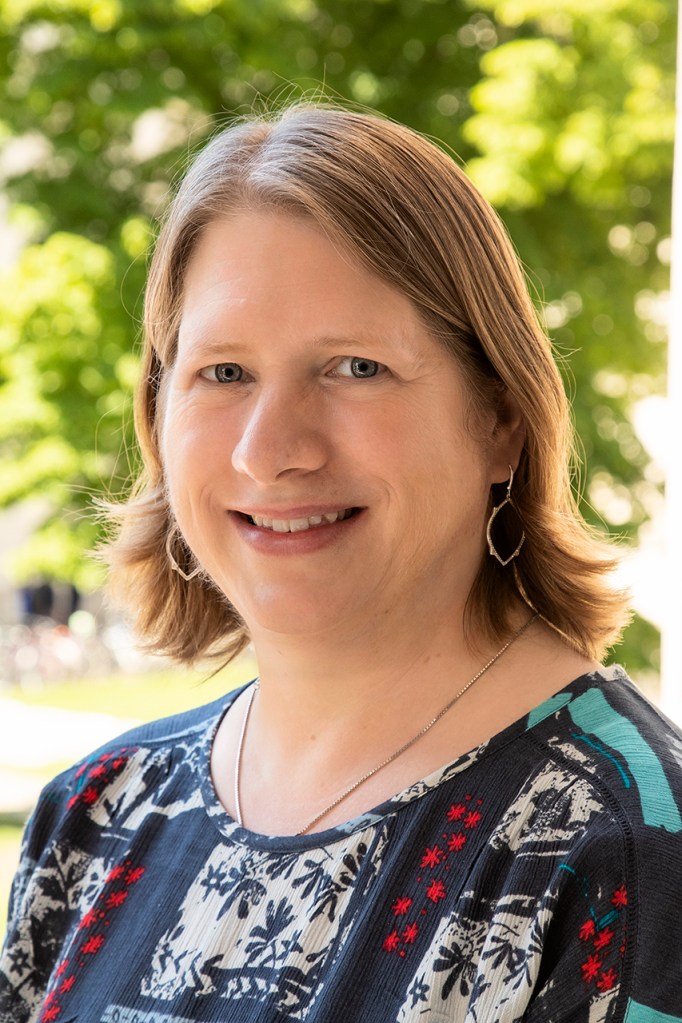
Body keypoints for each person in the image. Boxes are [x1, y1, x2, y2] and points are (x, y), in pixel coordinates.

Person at [1, 104, 680, 1023]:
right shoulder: (96, 815)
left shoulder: (624, 852)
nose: (269, 450)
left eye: (354, 367)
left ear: (501, 421)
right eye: (223, 372)